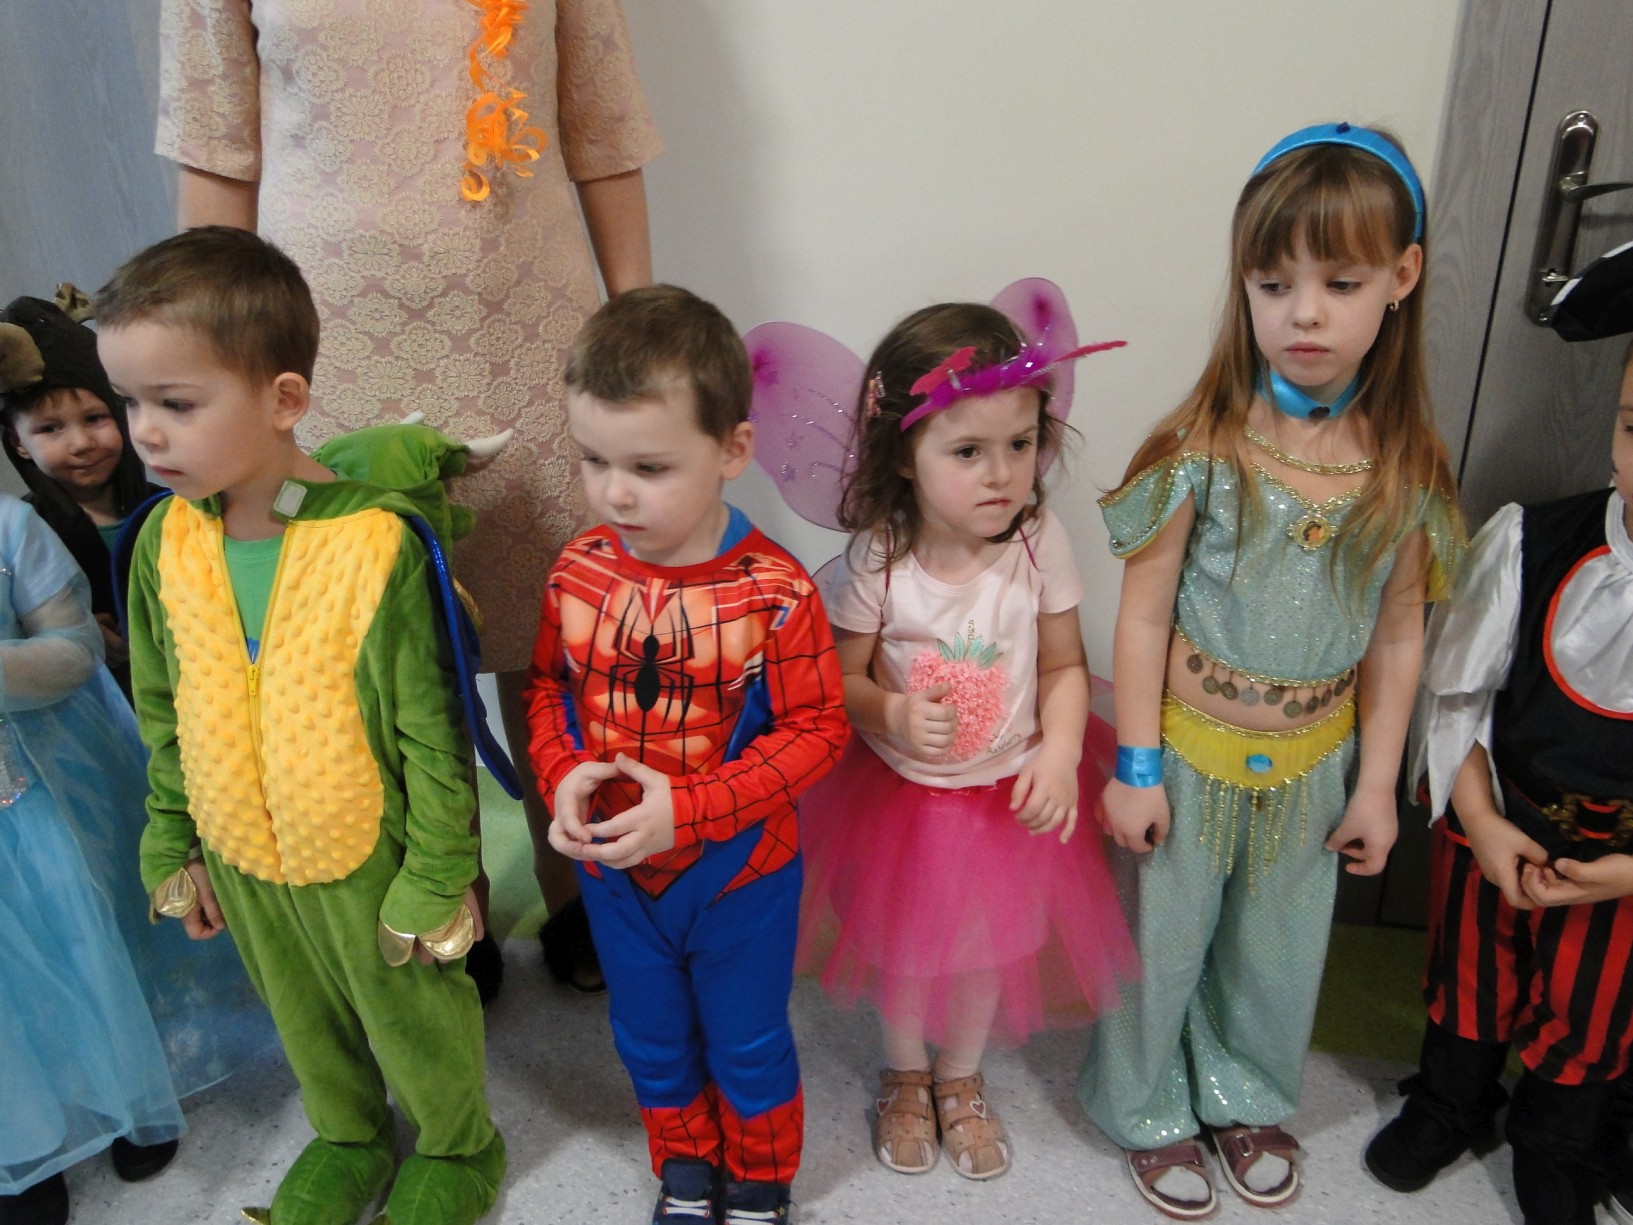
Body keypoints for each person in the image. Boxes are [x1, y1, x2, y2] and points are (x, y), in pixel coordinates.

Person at [156, 0, 665, 995]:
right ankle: (442, 899)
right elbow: (218, 149)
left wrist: (637, 318)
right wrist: (208, 365)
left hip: (527, 314)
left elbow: (603, 123)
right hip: (323, 335)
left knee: (561, 625)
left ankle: (581, 887)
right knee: (381, 650)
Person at [1077, 122, 1463, 1218]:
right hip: (1185, 756)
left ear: (1400, 277)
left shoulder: (1406, 471)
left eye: (1339, 283)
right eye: (1273, 282)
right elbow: (1142, 613)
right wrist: (1136, 764)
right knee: (1162, 942)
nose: (1303, 313)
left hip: (1313, 766)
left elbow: (1398, 635)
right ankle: (1143, 1102)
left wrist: (1377, 785)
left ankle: (1244, 1090)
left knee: (1276, 950)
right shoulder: (1200, 447)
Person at [100, 226, 504, 1225]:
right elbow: (163, 705)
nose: (144, 433)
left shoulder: (375, 541)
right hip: (243, 849)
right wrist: (175, 841)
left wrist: (438, 870)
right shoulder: (160, 540)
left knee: (411, 1014)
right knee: (304, 1017)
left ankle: (458, 1145)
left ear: (283, 399)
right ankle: (348, 1133)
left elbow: (433, 730)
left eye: (176, 403)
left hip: (368, 849)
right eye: (130, 402)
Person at [785, 289, 1136, 1182]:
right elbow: (838, 681)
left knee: (991, 949)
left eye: (1019, 444)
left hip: (1004, 794)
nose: (1001, 473)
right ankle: (906, 1072)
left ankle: (960, 1074)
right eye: (968, 451)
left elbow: (1063, 664)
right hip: (901, 798)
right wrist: (894, 713)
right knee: (904, 951)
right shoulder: (879, 558)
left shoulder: (1038, 540)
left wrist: (1061, 752)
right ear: (904, 455)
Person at [524, 286, 849, 1225]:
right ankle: (685, 1170)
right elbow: (546, 690)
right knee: (649, 1037)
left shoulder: (777, 592)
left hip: (741, 873)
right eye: (593, 459)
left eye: (649, 466)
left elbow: (817, 730)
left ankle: (760, 1181)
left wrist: (692, 808)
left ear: (731, 450)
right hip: (616, 875)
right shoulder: (575, 571)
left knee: (746, 1040)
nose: (614, 492)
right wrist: (559, 773)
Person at [1364, 246, 1633, 1225]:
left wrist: (1624, 872)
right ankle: (1451, 1100)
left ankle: (1559, 1139)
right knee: (1470, 975)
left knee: (1595, 1006)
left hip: (1624, 872)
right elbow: (1456, 696)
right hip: (1498, 815)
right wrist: (1478, 818)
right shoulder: (1530, 541)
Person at [0, 493, 185, 1225]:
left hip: (30, 786)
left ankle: (133, 1091)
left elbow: (75, 648)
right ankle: (23, 1140)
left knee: (80, 932)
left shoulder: (9, 526)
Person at [0, 290, 162, 697]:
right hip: (93, 707)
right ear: (18, 443)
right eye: (50, 428)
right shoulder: (23, 536)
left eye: (94, 418)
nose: (81, 443)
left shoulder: (169, 508)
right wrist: (82, 632)